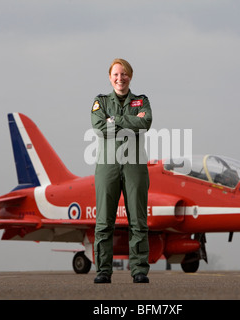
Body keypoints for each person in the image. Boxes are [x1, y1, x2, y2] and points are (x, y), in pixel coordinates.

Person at [91, 58, 152, 283]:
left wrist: (114, 120)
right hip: (107, 165)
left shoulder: (141, 101)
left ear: (130, 77)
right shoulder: (100, 101)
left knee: (138, 220)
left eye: (124, 74)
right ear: (110, 77)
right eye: (116, 74)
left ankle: (138, 271)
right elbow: (99, 126)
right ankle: (103, 271)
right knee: (104, 221)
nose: (120, 78)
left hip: (135, 164)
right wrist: (130, 122)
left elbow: (145, 123)